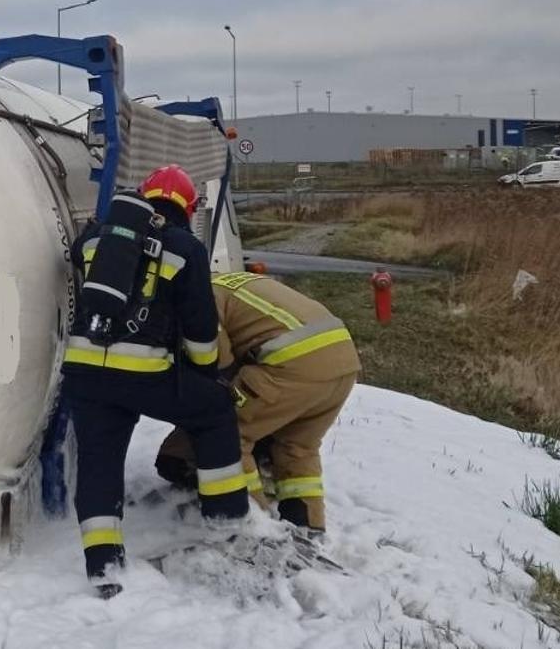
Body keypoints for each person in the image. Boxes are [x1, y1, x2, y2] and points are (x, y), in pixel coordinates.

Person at [63, 164, 247, 598]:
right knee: (215, 411)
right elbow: (201, 329)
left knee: (98, 460)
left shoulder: (97, 239)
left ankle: (103, 566)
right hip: (144, 373)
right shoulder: (185, 248)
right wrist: (205, 374)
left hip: (85, 372)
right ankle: (226, 521)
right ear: (190, 206)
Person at [154, 270, 361, 536]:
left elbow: (218, 361)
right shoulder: (229, 281)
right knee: (297, 447)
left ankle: (255, 529)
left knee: (225, 435)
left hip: (290, 365)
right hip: (343, 363)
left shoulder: (192, 295)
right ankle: (309, 528)